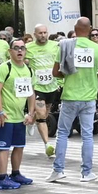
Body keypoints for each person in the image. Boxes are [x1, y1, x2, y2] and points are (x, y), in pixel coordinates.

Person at [51, 17, 98, 183]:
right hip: (89, 97)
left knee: (62, 133)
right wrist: (92, 75)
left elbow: (55, 72)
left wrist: (69, 74)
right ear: (90, 30)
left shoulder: (65, 46)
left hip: (69, 96)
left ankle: (58, 170)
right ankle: (86, 172)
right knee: (87, 135)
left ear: (74, 29)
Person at [0, 38, 38, 189]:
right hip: (5, 116)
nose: (19, 51)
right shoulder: (5, 68)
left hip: (20, 116)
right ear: (10, 51)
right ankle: (2, 178)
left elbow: (31, 93)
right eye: (16, 48)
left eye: (22, 48)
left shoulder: (29, 70)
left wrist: (31, 113)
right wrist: (0, 111)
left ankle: (16, 173)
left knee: (19, 146)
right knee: (4, 148)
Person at [25, 24, 62, 152]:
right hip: (37, 86)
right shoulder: (28, 47)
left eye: (45, 32)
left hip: (52, 85)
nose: (43, 35)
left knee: (45, 114)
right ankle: (47, 145)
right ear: (35, 34)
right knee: (41, 114)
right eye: (40, 33)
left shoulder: (55, 46)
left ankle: (31, 120)